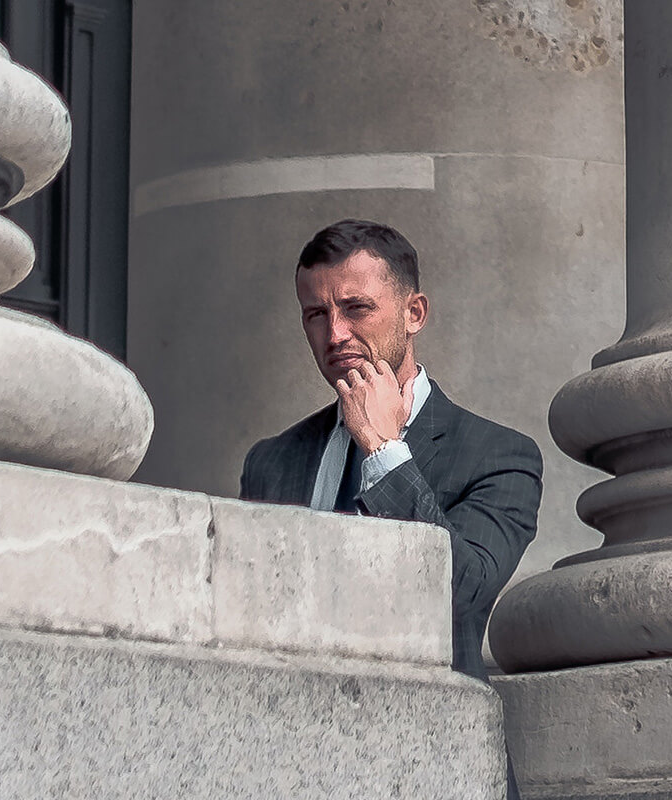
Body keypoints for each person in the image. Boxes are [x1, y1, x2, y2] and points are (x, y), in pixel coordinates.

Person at [239, 219, 542, 798]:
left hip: (433, 765)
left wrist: (383, 452)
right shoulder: (272, 462)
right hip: (292, 764)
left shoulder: (499, 455)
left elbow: (460, 592)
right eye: (315, 314)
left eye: (356, 308)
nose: (335, 334)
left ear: (414, 313)